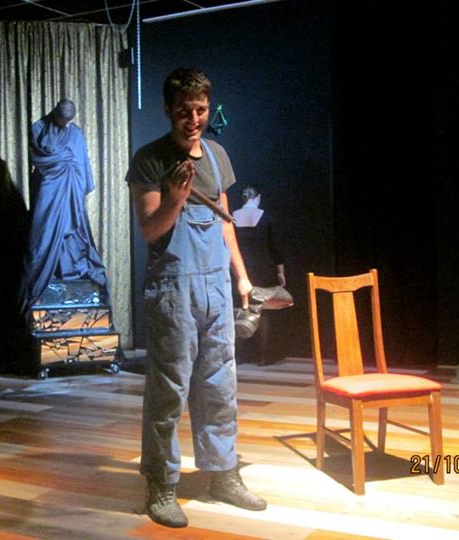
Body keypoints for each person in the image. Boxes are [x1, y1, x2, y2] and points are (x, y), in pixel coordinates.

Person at [126, 68, 267, 528]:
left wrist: (242, 278)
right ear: (168, 109)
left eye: (201, 110)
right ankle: (161, 485)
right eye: (184, 110)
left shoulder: (217, 156)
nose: (193, 119)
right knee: (168, 391)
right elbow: (150, 230)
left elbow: (225, 222)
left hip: (215, 288)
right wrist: (174, 197)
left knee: (220, 385)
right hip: (174, 288)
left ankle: (222, 474)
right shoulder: (149, 160)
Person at [20, 99, 108, 312]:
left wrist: (72, 174)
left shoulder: (75, 133)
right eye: (61, 119)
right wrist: (60, 160)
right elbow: (38, 157)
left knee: (72, 237)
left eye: (68, 120)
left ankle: (70, 273)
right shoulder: (39, 128)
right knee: (42, 238)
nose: (64, 123)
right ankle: (40, 286)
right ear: (55, 114)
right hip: (48, 191)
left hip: (71, 194)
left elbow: (82, 165)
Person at [232, 184, 287, 365]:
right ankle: (264, 356)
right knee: (264, 312)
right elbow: (275, 248)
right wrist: (280, 272)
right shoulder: (266, 217)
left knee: (239, 311)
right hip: (263, 269)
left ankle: (239, 356)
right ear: (258, 198)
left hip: (240, 269)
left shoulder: (232, 218)